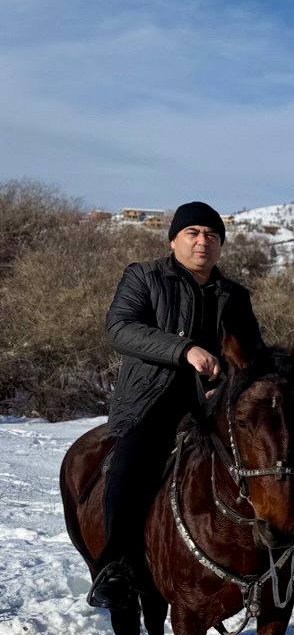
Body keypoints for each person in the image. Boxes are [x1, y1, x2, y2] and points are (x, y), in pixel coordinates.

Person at [88, 201, 264, 609]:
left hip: (213, 406)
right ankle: (116, 565)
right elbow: (120, 329)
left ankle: (272, 555)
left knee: (267, 462)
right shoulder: (144, 276)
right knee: (131, 463)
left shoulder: (234, 295)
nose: (203, 241)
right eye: (193, 233)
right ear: (173, 240)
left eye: (212, 235)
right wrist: (185, 350)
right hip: (149, 402)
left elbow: (250, 355)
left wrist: (229, 385)